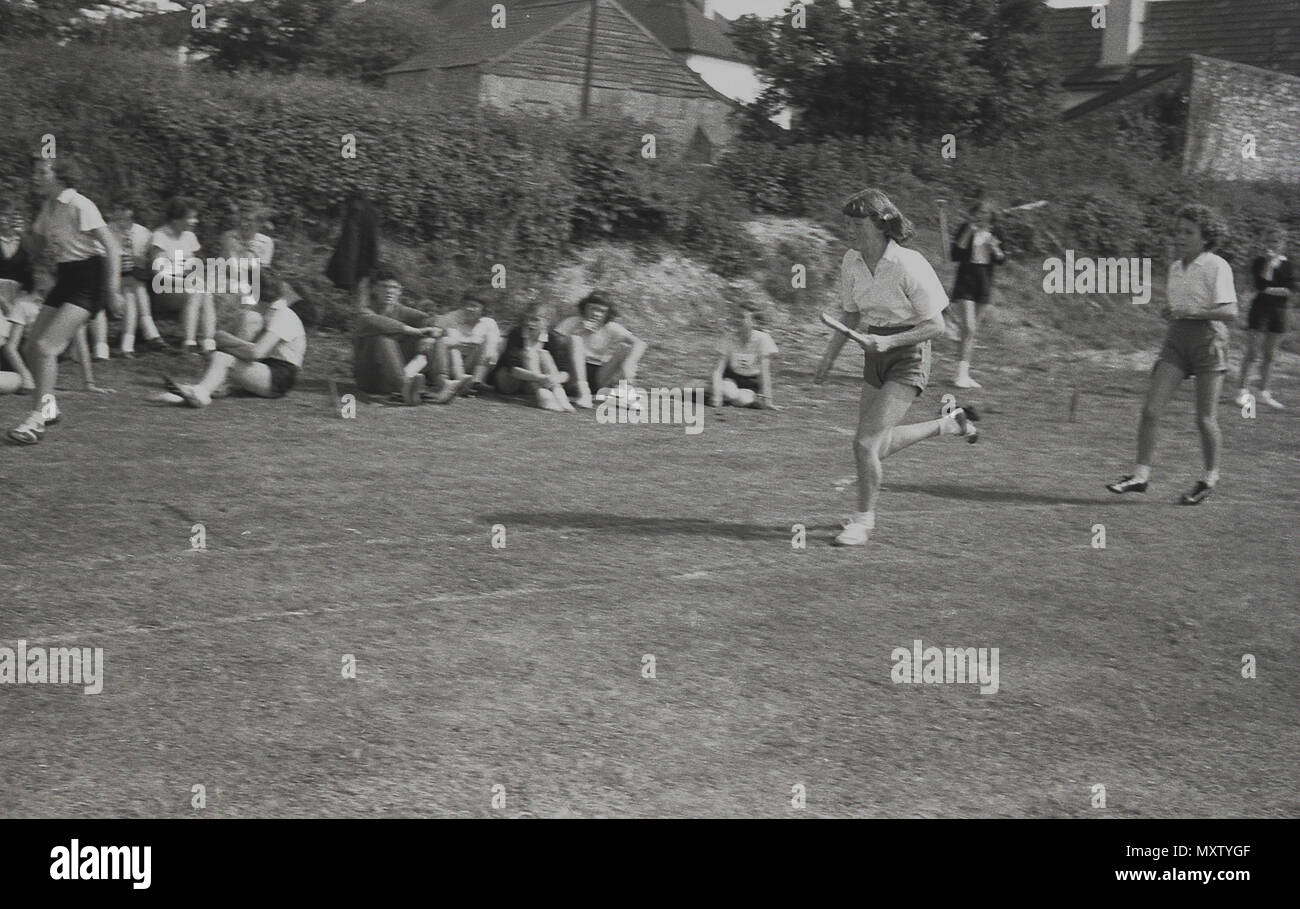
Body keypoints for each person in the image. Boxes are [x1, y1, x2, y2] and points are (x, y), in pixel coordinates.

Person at [813, 188, 980, 548]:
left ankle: (862, 522)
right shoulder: (851, 261)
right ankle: (950, 424)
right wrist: (829, 356)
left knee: (863, 443)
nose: (850, 230)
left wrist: (889, 342)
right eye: (846, 223)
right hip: (874, 353)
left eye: (857, 223)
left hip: (909, 356)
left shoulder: (909, 263)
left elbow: (937, 325)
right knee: (876, 444)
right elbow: (852, 314)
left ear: (879, 224)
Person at [1107, 204, 1238, 505]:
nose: (1180, 236)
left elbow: (1230, 311)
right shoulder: (1175, 268)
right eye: (1178, 231)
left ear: (1206, 238)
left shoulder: (1217, 265)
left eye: (1188, 232)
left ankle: (1208, 479)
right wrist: (1172, 311)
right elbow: (1179, 308)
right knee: (1151, 410)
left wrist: (1192, 311)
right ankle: (1140, 475)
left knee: (1204, 418)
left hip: (1209, 341)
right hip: (1177, 340)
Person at [7, 155, 119, 445]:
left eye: (42, 171)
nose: (35, 176)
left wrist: (114, 291)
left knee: (46, 347)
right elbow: (37, 249)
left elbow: (112, 248)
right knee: (32, 346)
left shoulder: (80, 205)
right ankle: (49, 406)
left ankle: (36, 419)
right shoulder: (49, 207)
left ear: (59, 176)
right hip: (66, 278)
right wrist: (22, 231)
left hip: (88, 281)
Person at [169, 270, 305, 408]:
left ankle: (201, 394)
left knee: (223, 358)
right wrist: (223, 343)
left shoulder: (283, 315)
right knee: (231, 341)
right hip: (265, 367)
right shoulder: (266, 312)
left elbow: (257, 352)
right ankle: (211, 386)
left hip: (278, 377)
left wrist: (225, 341)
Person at [352, 267, 459, 404]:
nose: (389, 291)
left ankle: (443, 383)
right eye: (384, 286)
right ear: (374, 289)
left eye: (394, 287)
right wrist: (414, 331)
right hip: (369, 379)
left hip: (393, 377)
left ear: (400, 291)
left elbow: (434, 320)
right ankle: (404, 387)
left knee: (435, 336)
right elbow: (375, 322)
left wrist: (432, 334)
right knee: (383, 338)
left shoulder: (403, 311)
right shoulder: (365, 311)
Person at [550, 292, 647, 409]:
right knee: (575, 339)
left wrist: (628, 364)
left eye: (602, 311)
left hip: (598, 375)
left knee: (625, 348)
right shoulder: (573, 321)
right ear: (585, 307)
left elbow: (640, 343)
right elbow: (554, 344)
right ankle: (584, 392)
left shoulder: (611, 327)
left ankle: (623, 392)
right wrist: (581, 331)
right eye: (592, 308)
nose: (596, 314)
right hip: (572, 373)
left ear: (607, 313)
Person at [89, 196, 155, 359]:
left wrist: (142, 263)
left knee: (132, 292)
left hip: (136, 280)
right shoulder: (106, 231)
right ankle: (140, 336)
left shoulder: (143, 233)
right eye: (116, 209)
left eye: (123, 209)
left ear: (131, 211)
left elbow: (150, 263)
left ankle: (124, 346)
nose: (118, 213)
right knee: (131, 291)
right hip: (108, 279)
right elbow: (102, 259)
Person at [949, 200, 1005, 389]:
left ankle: (962, 374)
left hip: (984, 281)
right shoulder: (966, 227)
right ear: (974, 213)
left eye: (985, 213)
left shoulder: (996, 231)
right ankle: (959, 375)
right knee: (969, 328)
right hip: (966, 280)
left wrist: (994, 248)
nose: (982, 215)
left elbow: (1001, 259)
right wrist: (969, 231)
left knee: (971, 332)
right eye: (979, 212)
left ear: (991, 215)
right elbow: (954, 254)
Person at [1235, 226, 1293, 410]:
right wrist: (1268, 264)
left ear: (1283, 243)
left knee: (1270, 355)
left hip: (1280, 311)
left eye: (1276, 241)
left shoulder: (1289, 264)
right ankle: (1242, 392)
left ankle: (1263, 392)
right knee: (1252, 352)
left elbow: (1290, 289)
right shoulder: (1259, 261)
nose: (1272, 245)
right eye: (1269, 241)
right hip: (1260, 310)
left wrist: (1269, 289)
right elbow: (1260, 284)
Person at [149, 195, 214, 356]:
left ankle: (208, 343)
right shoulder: (160, 236)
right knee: (196, 291)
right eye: (191, 218)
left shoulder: (189, 236)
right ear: (177, 219)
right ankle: (190, 344)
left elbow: (193, 264)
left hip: (184, 285)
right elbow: (158, 273)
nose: (195, 221)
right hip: (162, 288)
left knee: (205, 293)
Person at [492, 302, 574, 411]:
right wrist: (542, 378)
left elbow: (565, 372)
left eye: (535, 319)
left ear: (546, 322)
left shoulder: (553, 339)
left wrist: (554, 379)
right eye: (527, 318)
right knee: (529, 353)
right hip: (510, 382)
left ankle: (560, 395)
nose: (529, 323)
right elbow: (513, 369)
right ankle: (543, 395)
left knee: (544, 354)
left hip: (532, 385)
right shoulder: (516, 334)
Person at [710, 300, 778, 409]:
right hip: (731, 377)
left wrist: (768, 400)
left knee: (742, 400)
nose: (737, 320)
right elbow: (718, 370)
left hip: (751, 382)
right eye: (736, 316)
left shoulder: (763, 339)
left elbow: (765, 372)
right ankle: (716, 392)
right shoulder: (728, 338)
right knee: (729, 394)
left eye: (742, 317)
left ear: (754, 322)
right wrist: (717, 395)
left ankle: (727, 396)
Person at [433, 288, 501, 395]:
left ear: (482, 309)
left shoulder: (488, 323)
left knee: (489, 346)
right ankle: (454, 380)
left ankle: (476, 382)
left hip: (474, 363)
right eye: (467, 305)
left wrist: (478, 345)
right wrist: (468, 341)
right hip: (452, 361)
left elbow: (492, 349)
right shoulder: (453, 318)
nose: (469, 309)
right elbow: (447, 340)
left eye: (474, 306)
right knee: (451, 348)